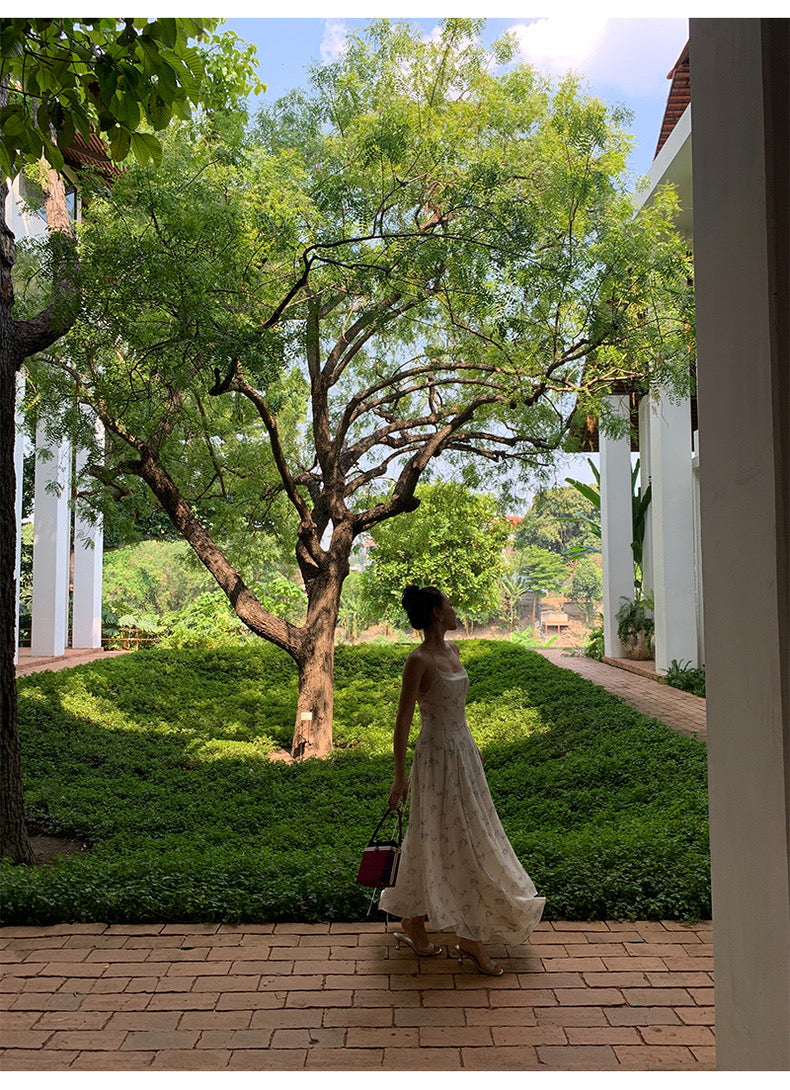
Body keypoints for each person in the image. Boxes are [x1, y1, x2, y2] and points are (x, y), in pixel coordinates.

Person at [378, 584, 546, 976]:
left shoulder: (454, 651)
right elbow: (402, 721)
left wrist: (473, 745)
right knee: (441, 834)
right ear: (437, 613)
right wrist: (400, 776)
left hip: (463, 752)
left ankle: (419, 921)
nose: (455, 611)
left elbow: (458, 710)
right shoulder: (418, 660)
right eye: (450, 605)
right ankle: (462, 933)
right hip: (434, 757)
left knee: (468, 833)